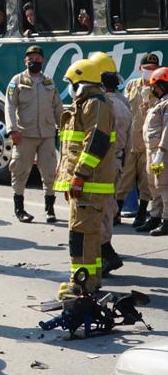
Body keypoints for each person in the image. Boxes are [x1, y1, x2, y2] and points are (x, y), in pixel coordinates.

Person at [53, 59, 115, 300]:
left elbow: (95, 143)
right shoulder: (87, 104)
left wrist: (78, 177)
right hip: (86, 183)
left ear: (80, 82)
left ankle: (81, 282)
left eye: (70, 82)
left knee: (80, 234)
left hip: (89, 183)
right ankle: (92, 278)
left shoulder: (95, 104)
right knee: (89, 234)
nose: (68, 86)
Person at [5, 45, 63, 223]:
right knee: (20, 171)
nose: (34, 61)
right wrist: (12, 129)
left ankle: (50, 209)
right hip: (25, 134)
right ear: (25, 61)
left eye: (37, 58)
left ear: (42, 60)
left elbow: (57, 106)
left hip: (46, 134)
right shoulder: (17, 80)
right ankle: (19, 208)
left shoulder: (49, 82)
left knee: (49, 172)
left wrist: (62, 128)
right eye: (30, 58)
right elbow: (9, 105)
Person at [91, 52, 127, 276]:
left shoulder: (102, 106)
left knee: (98, 210)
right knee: (109, 208)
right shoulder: (124, 104)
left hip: (102, 164)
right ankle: (105, 253)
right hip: (118, 161)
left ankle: (106, 254)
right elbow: (131, 139)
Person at [120, 53, 161, 231]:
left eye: (153, 69)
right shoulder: (131, 85)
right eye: (147, 69)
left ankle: (142, 213)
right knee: (124, 177)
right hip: (130, 141)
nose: (149, 72)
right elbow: (123, 109)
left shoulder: (158, 89)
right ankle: (116, 212)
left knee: (146, 181)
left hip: (148, 143)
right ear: (140, 69)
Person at [143, 67, 168, 237]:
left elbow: (167, 128)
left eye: (156, 87)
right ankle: (155, 216)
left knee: (164, 186)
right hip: (151, 151)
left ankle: (166, 221)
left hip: (161, 152)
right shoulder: (160, 103)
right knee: (153, 185)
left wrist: (161, 150)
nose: (154, 90)